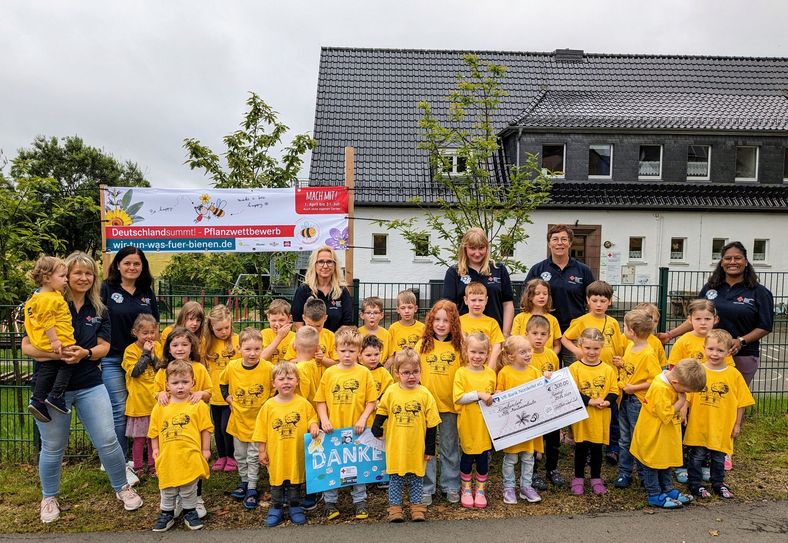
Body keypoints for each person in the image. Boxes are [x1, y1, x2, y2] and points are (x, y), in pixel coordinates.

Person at [23, 252, 142, 524]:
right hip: (52, 387)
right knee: (53, 446)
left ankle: (122, 488)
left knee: (108, 439)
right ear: (65, 276)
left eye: (89, 273)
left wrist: (84, 354)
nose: (83, 278)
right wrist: (58, 355)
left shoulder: (99, 309)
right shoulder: (47, 300)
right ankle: (49, 497)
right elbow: (27, 345)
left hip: (89, 383)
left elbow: (104, 347)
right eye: (77, 272)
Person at [662, 241, 773, 387]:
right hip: (708, 354)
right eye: (727, 258)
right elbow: (696, 318)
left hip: (742, 355)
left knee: (732, 399)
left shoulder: (759, 292)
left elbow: (765, 326)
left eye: (737, 258)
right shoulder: (710, 288)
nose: (732, 262)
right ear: (721, 262)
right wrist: (670, 335)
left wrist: (740, 341)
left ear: (746, 262)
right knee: (701, 398)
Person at [101, 246, 159, 465]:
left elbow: (156, 327)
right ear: (118, 265)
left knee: (145, 405)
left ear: (142, 267)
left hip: (144, 359)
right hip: (113, 358)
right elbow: (98, 321)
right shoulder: (106, 289)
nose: (132, 267)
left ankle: (147, 454)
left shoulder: (146, 292)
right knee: (120, 407)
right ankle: (119, 459)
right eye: (127, 263)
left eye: (136, 263)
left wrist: (156, 354)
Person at [314, 327, 377, 520]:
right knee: (333, 464)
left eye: (351, 351)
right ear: (336, 350)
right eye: (343, 351)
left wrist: (363, 419)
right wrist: (324, 420)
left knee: (357, 464)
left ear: (358, 352)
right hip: (334, 430)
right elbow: (321, 400)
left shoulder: (364, 373)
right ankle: (330, 502)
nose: (347, 355)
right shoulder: (330, 373)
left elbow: (372, 401)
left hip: (357, 430)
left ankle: (360, 501)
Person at [684, 330, 754, 499]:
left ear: (729, 351)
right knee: (697, 456)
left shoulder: (733, 374)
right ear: (704, 348)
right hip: (699, 424)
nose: (714, 354)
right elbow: (687, 396)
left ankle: (718, 484)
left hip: (722, 426)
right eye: (711, 349)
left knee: (718, 458)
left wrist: (737, 424)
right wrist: (683, 413)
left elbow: (742, 402)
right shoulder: (698, 371)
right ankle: (695, 484)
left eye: (720, 350)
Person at [372, 348, 440, 522]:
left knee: (417, 477)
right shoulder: (391, 392)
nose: (411, 376)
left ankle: (416, 506)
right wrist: (376, 427)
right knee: (396, 478)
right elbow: (382, 411)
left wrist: (430, 449)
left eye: (415, 372)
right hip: (397, 445)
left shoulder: (425, 394)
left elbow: (432, 424)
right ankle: (395, 507)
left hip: (417, 446)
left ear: (420, 372)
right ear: (396, 373)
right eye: (406, 372)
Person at [561, 280, 625, 464]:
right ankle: (586, 447)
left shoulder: (613, 323)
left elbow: (618, 346)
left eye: (603, 301)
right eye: (595, 300)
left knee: (611, 412)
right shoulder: (582, 321)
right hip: (587, 374)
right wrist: (576, 351)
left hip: (608, 374)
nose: (599, 304)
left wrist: (619, 360)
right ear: (588, 300)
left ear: (609, 302)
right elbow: (565, 338)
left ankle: (613, 448)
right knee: (588, 413)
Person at [153, 326, 213, 519]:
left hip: (193, 422)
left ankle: (196, 499)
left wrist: (200, 393)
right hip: (171, 424)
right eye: (175, 344)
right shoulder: (163, 371)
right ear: (168, 348)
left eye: (185, 344)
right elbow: (157, 392)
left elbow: (209, 392)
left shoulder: (199, 368)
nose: (180, 348)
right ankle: (177, 500)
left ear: (191, 347)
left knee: (194, 461)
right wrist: (160, 393)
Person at [630, 358, 706, 509]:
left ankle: (668, 489)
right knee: (652, 464)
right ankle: (654, 494)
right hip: (654, 434)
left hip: (664, 433)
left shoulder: (670, 382)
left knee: (665, 461)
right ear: (676, 382)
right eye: (686, 390)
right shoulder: (660, 388)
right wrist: (681, 401)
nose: (686, 394)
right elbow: (665, 414)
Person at [254, 361, 319, 527]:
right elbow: (261, 430)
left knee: (295, 481)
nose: (286, 382)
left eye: (290, 378)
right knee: (276, 481)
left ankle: (295, 506)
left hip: (295, 452)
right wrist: (262, 451)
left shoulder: (302, 403)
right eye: (281, 379)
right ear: (273, 383)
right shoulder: (268, 406)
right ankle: (276, 507)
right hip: (276, 453)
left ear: (297, 381)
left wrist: (313, 425)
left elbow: (312, 417)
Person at [523, 224, 595, 366]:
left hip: (573, 333)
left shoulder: (583, 270)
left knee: (575, 373)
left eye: (564, 239)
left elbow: (592, 300)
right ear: (549, 243)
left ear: (570, 243)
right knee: (547, 374)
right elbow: (527, 298)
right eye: (555, 239)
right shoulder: (538, 269)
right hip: (543, 332)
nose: (559, 243)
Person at [221, 328, 274, 510]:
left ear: (262, 348)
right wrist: (227, 397)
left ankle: (252, 487)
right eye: (248, 349)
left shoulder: (268, 368)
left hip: (258, 423)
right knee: (240, 455)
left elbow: (275, 389)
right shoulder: (232, 367)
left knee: (253, 456)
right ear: (239, 348)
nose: (253, 353)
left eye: (257, 349)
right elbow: (222, 383)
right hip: (238, 420)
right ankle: (243, 482)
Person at [419, 300, 465, 505]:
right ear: (430, 321)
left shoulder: (460, 346)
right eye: (437, 319)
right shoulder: (422, 344)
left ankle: (451, 485)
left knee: (449, 447)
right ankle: (427, 487)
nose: (440, 324)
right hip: (427, 407)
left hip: (450, 406)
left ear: (453, 323)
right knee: (427, 450)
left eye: (446, 320)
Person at [568, 328, 619, 496]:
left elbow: (614, 390)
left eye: (596, 349)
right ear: (580, 346)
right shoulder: (574, 368)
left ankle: (596, 478)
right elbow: (572, 392)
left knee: (597, 449)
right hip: (583, 417)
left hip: (600, 416)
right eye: (588, 348)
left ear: (602, 348)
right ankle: (578, 478)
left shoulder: (608, 369)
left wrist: (607, 401)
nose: (591, 352)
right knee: (581, 448)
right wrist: (590, 401)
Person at [615, 309, 662, 489]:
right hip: (625, 399)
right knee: (625, 438)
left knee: (639, 438)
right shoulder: (630, 347)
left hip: (638, 401)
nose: (623, 330)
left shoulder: (648, 353)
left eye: (625, 327)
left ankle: (644, 474)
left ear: (632, 332)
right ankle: (624, 472)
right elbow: (632, 369)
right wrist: (622, 364)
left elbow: (655, 380)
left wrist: (634, 388)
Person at [25, 256, 76, 421]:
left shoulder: (47, 295)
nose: (66, 280)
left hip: (54, 339)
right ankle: (55, 395)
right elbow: (47, 321)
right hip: (56, 339)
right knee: (68, 362)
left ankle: (38, 399)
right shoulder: (46, 299)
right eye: (62, 276)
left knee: (49, 367)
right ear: (47, 278)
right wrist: (54, 340)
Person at [497, 335, 545, 504]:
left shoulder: (535, 371)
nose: (528, 354)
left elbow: (542, 391)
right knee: (511, 458)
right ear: (511, 356)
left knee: (528, 457)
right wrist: (498, 395)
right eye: (522, 352)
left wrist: (548, 378)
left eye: (529, 350)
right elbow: (499, 395)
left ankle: (526, 486)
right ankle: (509, 487)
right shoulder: (504, 373)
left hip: (530, 425)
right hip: (512, 425)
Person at [442, 228, 514, 335]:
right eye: (472, 248)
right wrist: (458, 335)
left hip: (494, 336)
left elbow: (507, 304)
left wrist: (505, 334)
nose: (477, 253)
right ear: (465, 248)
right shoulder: (454, 272)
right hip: (465, 336)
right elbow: (449, 307)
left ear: (487, 248)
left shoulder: (499, 269)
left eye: (481, 248)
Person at [453, 332, 497, 508]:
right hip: (468, 424)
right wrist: (478, 395)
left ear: (487, 353)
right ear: (466, 351)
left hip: (485, 426)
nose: (477, 357)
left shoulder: (491, 374)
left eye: (481, 353)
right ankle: (465, 488)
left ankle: (480, 490)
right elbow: (458, 398)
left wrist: (496, 395)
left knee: (483, 458)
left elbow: (492, 396)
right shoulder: (461, 373)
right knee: (467, 456)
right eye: (473, 352)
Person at [525, 315, 563, 490]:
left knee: (553, 439)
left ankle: (552, 469)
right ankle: (532, 472)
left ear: (549, 336)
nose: (538, 337)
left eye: (543, 334)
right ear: (527, 334)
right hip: (531, 406)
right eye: (534, 333)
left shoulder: (552, 356)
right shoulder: (524, 355)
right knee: (533, 441)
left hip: (549, 406)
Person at [121, 314, 159, 477]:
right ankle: (138, 467)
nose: (149, 336)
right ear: (135, 332)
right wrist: (145, 354)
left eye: (152, 332)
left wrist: (153, 356)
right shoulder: (130, 351)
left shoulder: (156, 347)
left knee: (153, 438)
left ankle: (153, 466)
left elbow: (160, 368)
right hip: (138, 404)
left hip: (155, 402)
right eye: (145, 333)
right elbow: (135, 372)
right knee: (139, 439)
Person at [204, 304, 240, 473]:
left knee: (227, 427)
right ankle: (222, 456)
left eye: (227, 327)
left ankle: (232, 456)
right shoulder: (207, 344)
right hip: (214, 394)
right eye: (219, 329)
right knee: (217, 428)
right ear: (211, 328)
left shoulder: (237, 341)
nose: (224, 332)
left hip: (231, 394)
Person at [291, 245, 354, 332]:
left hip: (335, 343)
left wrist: (332, 341)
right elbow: (298, 323)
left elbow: (347, 324)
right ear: (314, 264)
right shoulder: (304, 290)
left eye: (329, 262)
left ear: (335, 265)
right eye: (320, 262)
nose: (325, 266)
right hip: (310, 342)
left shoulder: (342, 291)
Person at [668, 300, 735, 370]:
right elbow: (673, 368)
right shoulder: (682, 341)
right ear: (690, 319)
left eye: (707, 319)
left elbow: (729, 368)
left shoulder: (721, 340)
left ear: (715, 319)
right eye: (698, 319)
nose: (703, 323)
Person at [458, 282, 505, 369]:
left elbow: (496, 348)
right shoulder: (458, 321)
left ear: (486, 300)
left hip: (484, 369)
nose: (477, 304)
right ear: (466, 300)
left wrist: (489, 371)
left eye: (480, 300)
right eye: (473, 300)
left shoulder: (492, 323)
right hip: (463, 370)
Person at [511, 278, 562, 354]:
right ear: (529, 296)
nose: (542, 296)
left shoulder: (553, 319)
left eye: (545, 294)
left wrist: (551, 357)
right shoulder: (519, 318)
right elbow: (514, 341)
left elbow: (557, 345)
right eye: (537, 293)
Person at [284, 297, 337, 363]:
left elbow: (337, 363)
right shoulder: (298, 337)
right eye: (310, 325)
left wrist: (323, 359)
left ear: (325, 318)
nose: (314, 329)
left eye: (318, 326)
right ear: (304, 318)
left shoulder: (330, 337)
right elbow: (289, 361)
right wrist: (305, 358)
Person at [386, 289, 425, 367]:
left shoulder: (422, 328)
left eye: (410, 307)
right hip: (399, 373)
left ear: (416, 309)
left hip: (416, 370)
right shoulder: (393, 328)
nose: (406, 311)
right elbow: (391, 354)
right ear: (397, 310)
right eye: (403, 308)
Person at [360, 335, 394, 414]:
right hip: (359, 417)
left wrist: (379, 401)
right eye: (368, 355)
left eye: (376, 354)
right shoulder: (357, 372)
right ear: (359, 355)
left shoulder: (384, 373)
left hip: (378, 416)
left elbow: (389, 392)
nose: (373, 358)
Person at [261, 299, 295, 365]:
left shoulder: (294, 336)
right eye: (273, 320)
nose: (277, 324)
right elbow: (262, 358)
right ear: (268, 318)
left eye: (281, 320)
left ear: (289, 319)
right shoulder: (264, 333)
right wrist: (279, 337)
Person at [359, 296, 391, 362]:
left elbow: (391, 356)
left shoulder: (386, 334)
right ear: (362, 315)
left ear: (381, 315)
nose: (372, 316)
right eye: (368, 313)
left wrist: (383, 369)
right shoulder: (357, 333)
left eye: (376, 313)